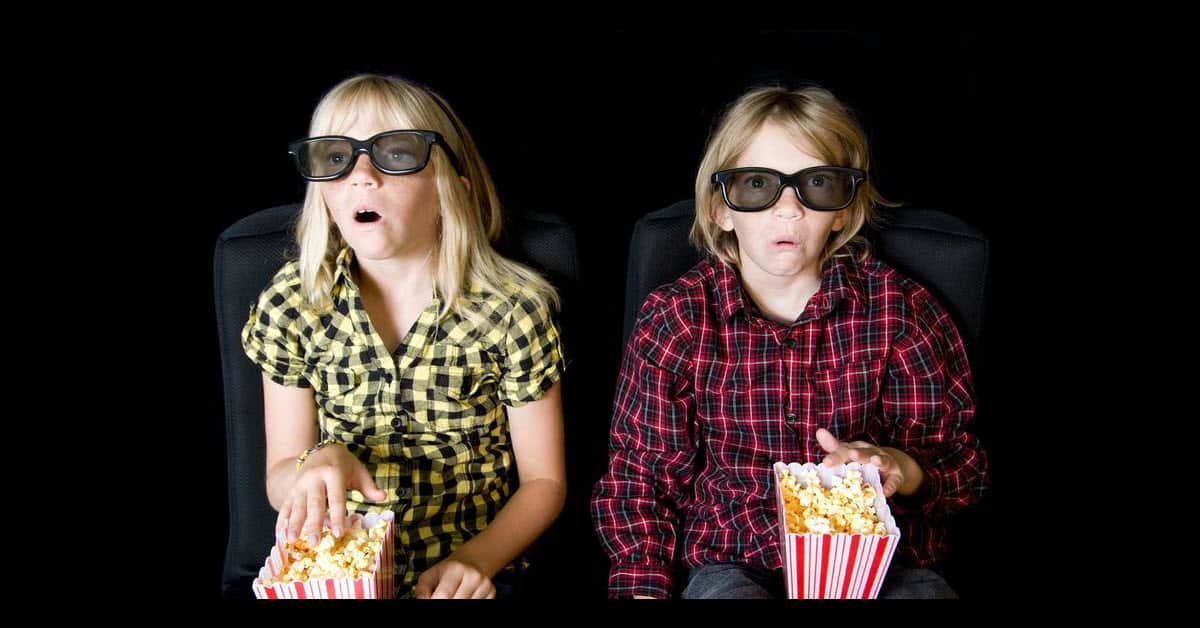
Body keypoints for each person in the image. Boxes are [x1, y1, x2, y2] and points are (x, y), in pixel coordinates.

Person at [590, 85, 989, 599]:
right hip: (734, 561)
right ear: (721, 209)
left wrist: (898, 466)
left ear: (842, 210)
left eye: (817, 185)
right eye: (757, 185)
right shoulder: (678, 318)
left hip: (884, 567)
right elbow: (641, 479)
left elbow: (964, 467)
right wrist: (641, 590)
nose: (788, 209)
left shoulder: (902, 310)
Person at [241, 74, 566, 599]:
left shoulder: (511, 311)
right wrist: (314, 463)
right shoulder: (293, 305)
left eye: (394, 154)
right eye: (335, 158)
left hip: (469, 567)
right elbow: (281, 476)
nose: (361, 177)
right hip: (340, 567)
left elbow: (544, 483)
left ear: (450, 189)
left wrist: (474, 562)